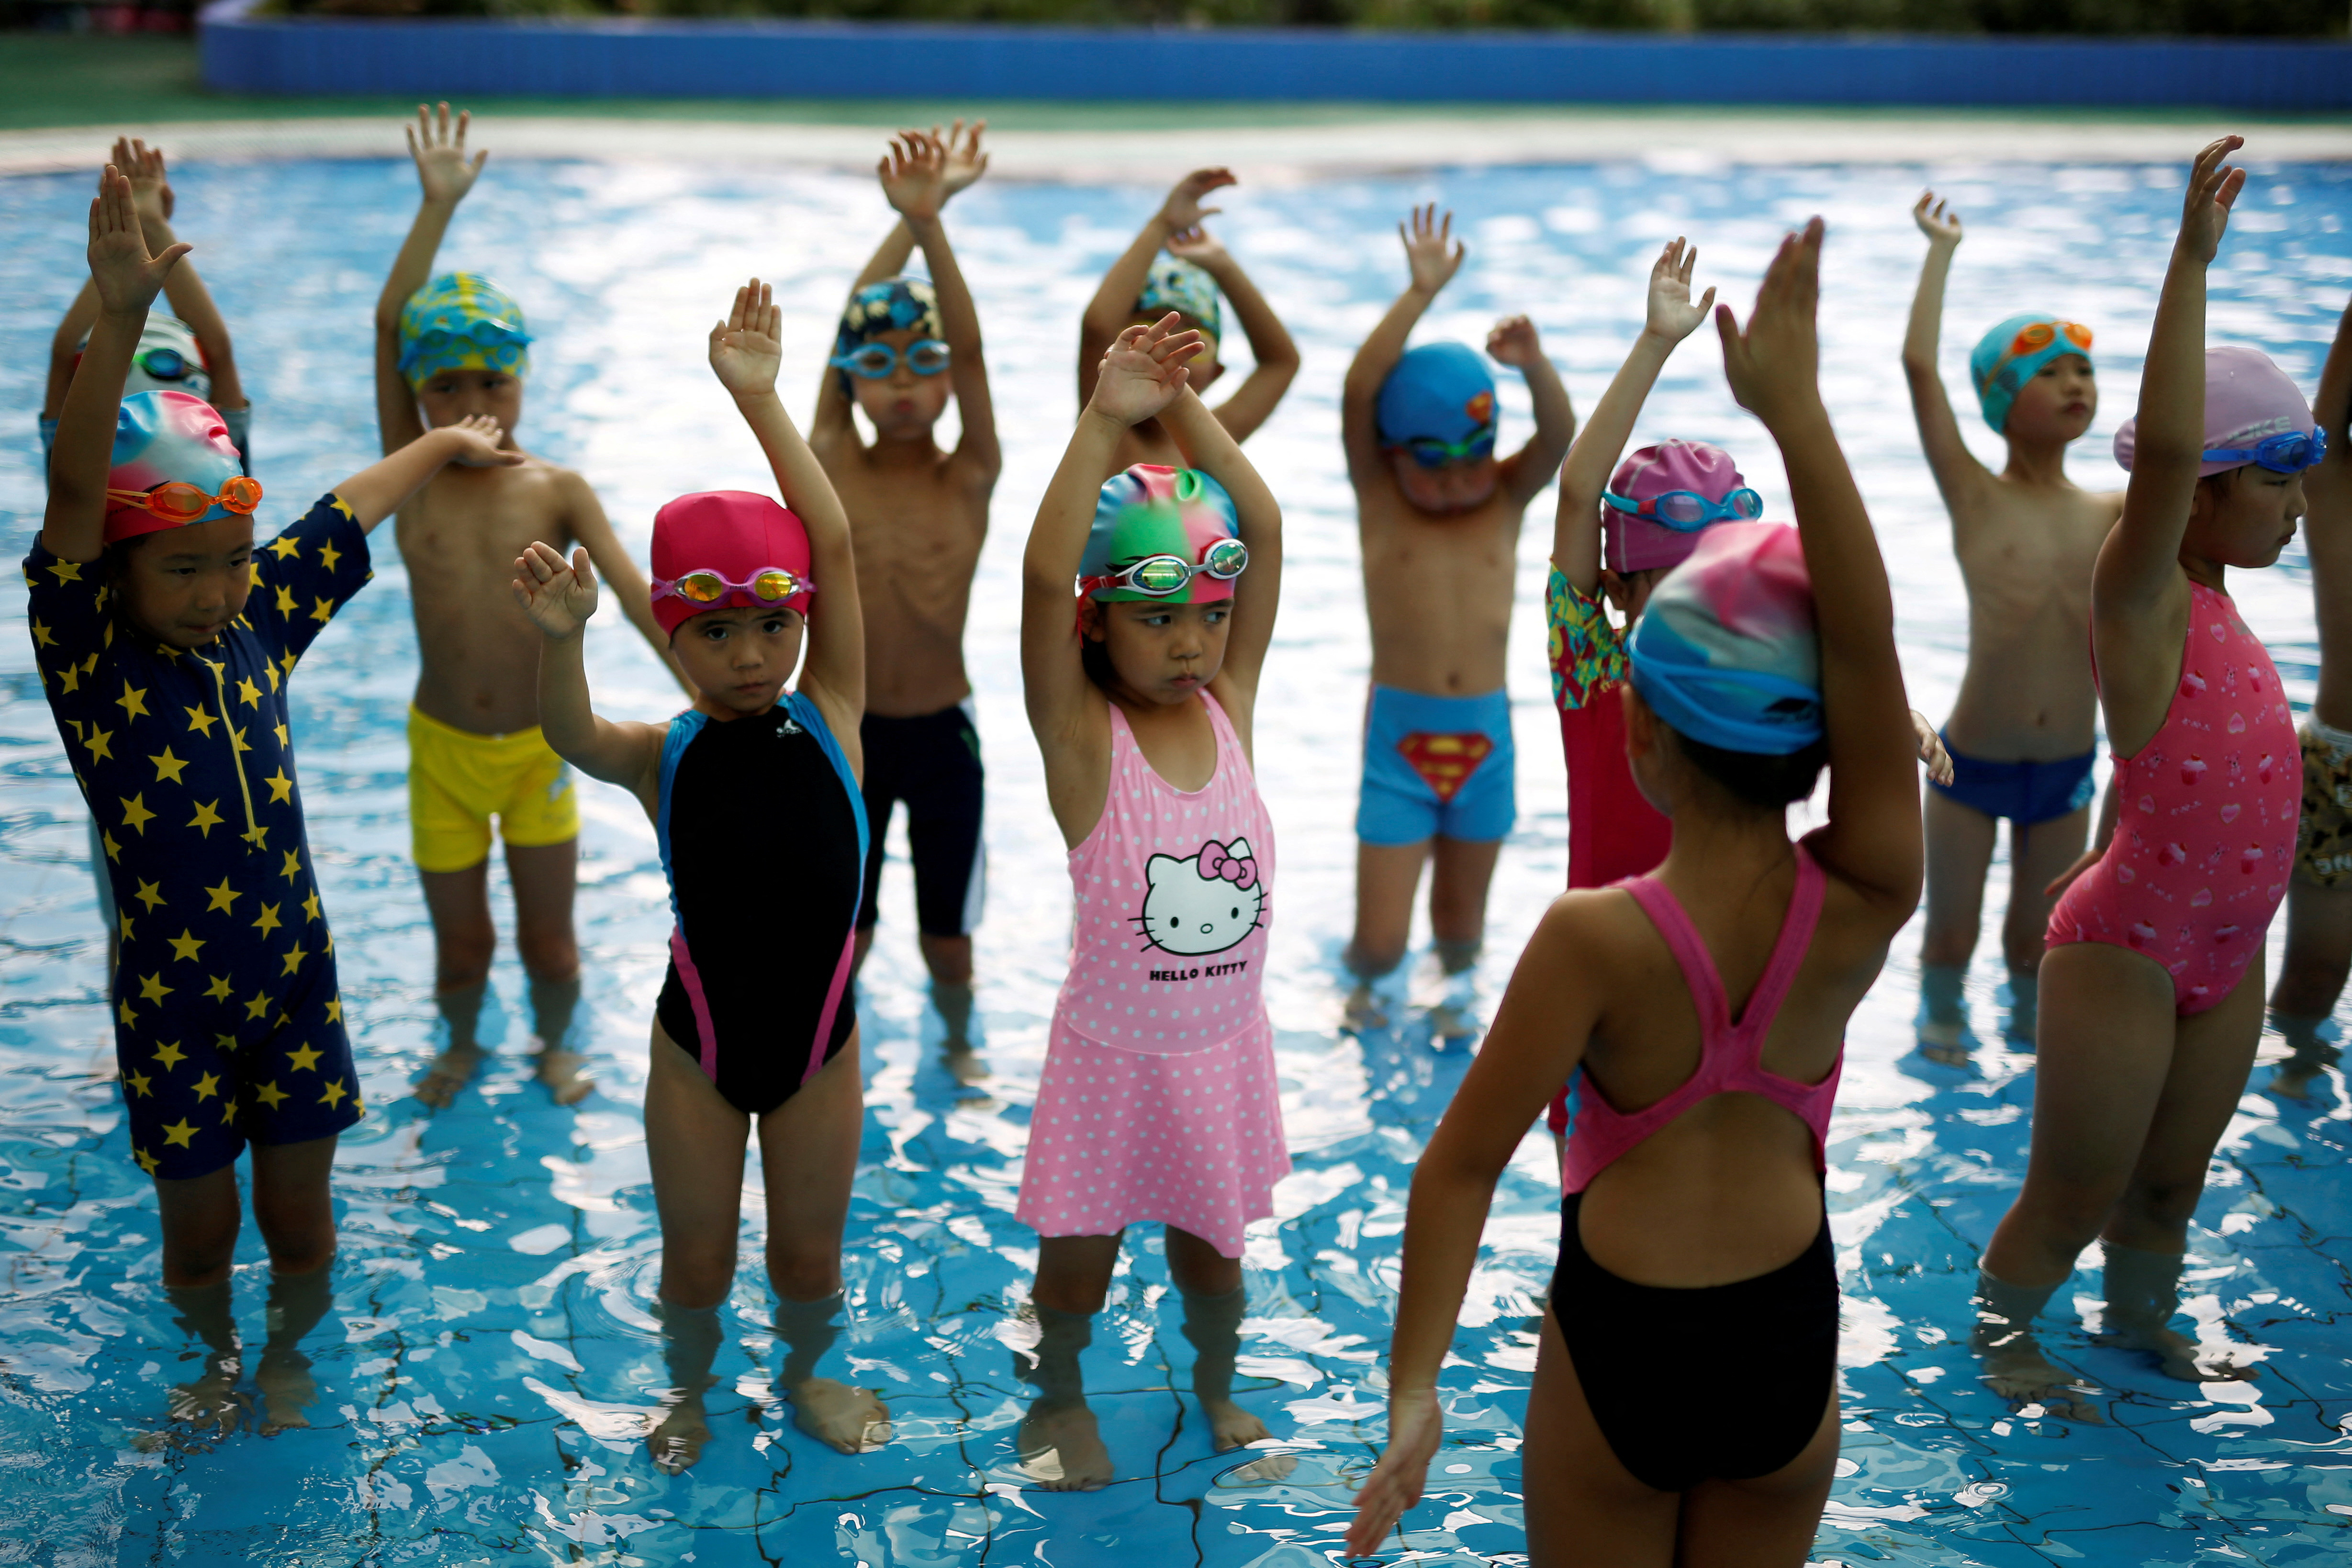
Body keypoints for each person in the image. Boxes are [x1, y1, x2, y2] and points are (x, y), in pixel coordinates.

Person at [1346, 217, 1923, 1567]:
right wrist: (1792, 404)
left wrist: (1415, 1394)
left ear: (1646, 733)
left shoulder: (1587, 937)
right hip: (1792, 1331)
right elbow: (1868, 630)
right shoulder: (1860, 897)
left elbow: (1458, 1167)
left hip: (1625, 1309)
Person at [29, 165, 515, 1434]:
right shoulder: (95, 664)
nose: (216, 591)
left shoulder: (260, 625)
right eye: (184, 569)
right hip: (175, 1006)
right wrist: (124, 314)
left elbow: (340, 513)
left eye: (232, 564)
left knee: (304, 1225)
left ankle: (290, 1361)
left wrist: (445, 441)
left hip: (295, 977)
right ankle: (207, 1367)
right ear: (117, 575)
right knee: (199, 1238)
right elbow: (74, 500)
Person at [514, 279, 885, 1473]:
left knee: (807, 1267)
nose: (750, 654)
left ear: (804, 626)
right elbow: (570, 737)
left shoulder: (832, 711)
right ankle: (690, 1393)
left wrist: (764, 403)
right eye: (716, 632)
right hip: (699, 1049)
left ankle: (808, 1376)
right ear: (672, 637)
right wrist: (562, 643)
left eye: (773, 625)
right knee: (695, 1267)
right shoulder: (662, 755)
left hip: (821, 1042)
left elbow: (829, 539)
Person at [1975, 138, 2318, 1411]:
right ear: (2207, 493)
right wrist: (2189, 260)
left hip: (2229, 942)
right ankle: (2005, 1337)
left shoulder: (2217, 610)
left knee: (2169, 1185)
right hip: (2127, 945)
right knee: (2071, 1186)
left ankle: (2136, 1328)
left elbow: (2164, 753)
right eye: (2278, 485)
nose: (2298, 509)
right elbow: (2165, 451)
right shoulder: (2145, 592)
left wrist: (2115, 820)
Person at [1012, 314, 1288, 1490]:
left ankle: (1216, 1390)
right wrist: (1100, 422)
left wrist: (1182, 409)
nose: (1192, 643)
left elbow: (1262, 526)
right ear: (1098, 620)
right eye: (1158, 615)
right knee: (1078, 1272)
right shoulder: (1086, 744)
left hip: (1220, 1054)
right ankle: (1060, 1397)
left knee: (1214, 1263)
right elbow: (1035, 574)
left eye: (1211, 614)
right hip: (1114, 1062)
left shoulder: (1232, 707)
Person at [374, 103, 685, 1109]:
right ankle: (460, 1046)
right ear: (417, 395)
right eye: (447, 384)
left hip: (538, 751)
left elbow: (639, 603)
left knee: (551, 939)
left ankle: (556, 1047)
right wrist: (435, 209)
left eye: (494, 380)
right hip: (443, 751)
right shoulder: (410, 474)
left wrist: (716, 701)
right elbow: (389, 329)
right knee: (462, 942)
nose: (474, 400)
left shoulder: (555, 489)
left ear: (522, 380)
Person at [1342, 203, 1575, 1027]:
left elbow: (1558, 437)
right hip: (1397, 745)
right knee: (1375, 943)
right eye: (1429, 466)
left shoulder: (1504, 498)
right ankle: (1363, 996)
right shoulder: (1380, 499)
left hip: (1485, 740)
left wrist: (1533, 365)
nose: (1452, 483)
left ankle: (1453, 1007)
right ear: (1389, 454)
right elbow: (1359, 388)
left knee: (1459, 931)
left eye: (1468, 460)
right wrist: (1417, 294)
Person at [1904, 190, 2120, 1056]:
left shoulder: (2111, 510)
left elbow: (2185, 459)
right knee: (1947, 943)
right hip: (1968, 763)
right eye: (2049, 372)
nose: (2074, 384)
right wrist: (1940, 253)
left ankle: (2032, 1070)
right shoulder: (1973, 495)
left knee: (2035, 952)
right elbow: (1918, 371)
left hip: (2067, 763)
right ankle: (1940, 1060)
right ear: (2000, 400)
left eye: (2084, 371)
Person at [814, 125, 999, 1073]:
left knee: (948, 937)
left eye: (920, 367)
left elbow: (967, 347)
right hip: (843, 731)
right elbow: (855, 317)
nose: (902, 386)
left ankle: (960, 1043)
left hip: (941, 735)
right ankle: (833, 1051)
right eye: (877, 367)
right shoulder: (833, 461)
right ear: (851, 380)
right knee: (847, 931)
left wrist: (933, 233)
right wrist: (905, 225)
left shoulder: (968, 474)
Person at [43, 138, 250, 979]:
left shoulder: (217, 467)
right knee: (133, 924)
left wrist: (161, 235)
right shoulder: (86, 481)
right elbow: (67, 360)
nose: (143, 375)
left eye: (166, 366)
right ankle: (137, 1037)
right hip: (131, 754)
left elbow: (217, 344)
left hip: (228, 749)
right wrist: (117, 291)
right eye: (122, 364)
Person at [1076, 166, 1299, 474]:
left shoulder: (1218, 436)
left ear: (1216, 373)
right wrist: (1162, 225)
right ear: (1113, 356)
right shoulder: (1105, 427)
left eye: (1195, 342)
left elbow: (1281, 363)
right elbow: (1098, 327)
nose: (1171, 346)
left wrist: (1224, 267)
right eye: (1153, 329)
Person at [2267, 295, 2352, 1099]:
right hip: (2341, 769)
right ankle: (2290, 1080)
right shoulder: (2332, 497)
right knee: (2312, 979)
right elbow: (2324, 428)